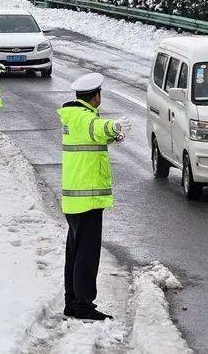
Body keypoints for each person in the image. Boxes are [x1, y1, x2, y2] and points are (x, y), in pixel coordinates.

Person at [58, 72, 131, 321]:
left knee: (75, 254)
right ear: (95, 96)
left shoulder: (75, 116)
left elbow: (94, 135)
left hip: (76, 199)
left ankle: (72, 300)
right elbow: (98, 128)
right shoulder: (83, 118)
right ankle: (83, 304)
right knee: (87, 256)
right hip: (87, 201)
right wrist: (115, 126)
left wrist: (114, 136)